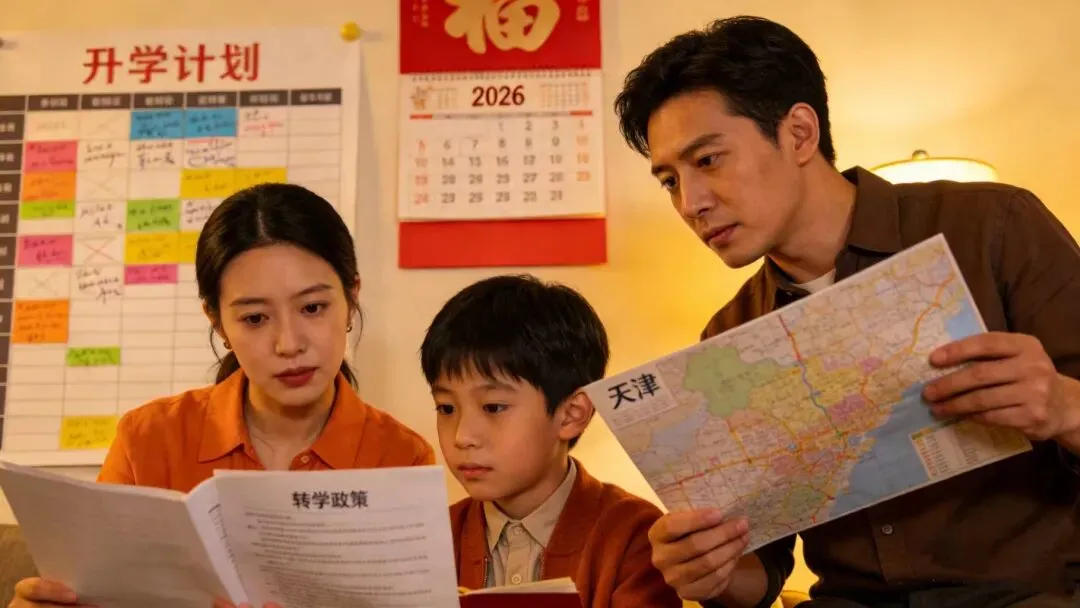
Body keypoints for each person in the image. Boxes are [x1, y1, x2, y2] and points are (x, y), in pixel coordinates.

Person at [613, 14, 1080, 608]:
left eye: (707, 161)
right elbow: (763, 574)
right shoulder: (732, 335)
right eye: (668, 181)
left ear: (799, 133)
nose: (690, 203)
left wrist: (1064, 406)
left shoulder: (993, 227)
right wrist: (709, 571)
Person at [10, 183, 434, 608]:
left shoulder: (401, 457)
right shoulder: (149, 439)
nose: (289, 343)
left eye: (312, 308)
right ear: (217, 322)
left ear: (352, 298)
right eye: (255, 318)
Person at [420, 275, 683, 608]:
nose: (462, 436)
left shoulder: (632, 534)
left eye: (493, 407)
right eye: (446, 408)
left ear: (571, 414)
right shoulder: (432, 539)